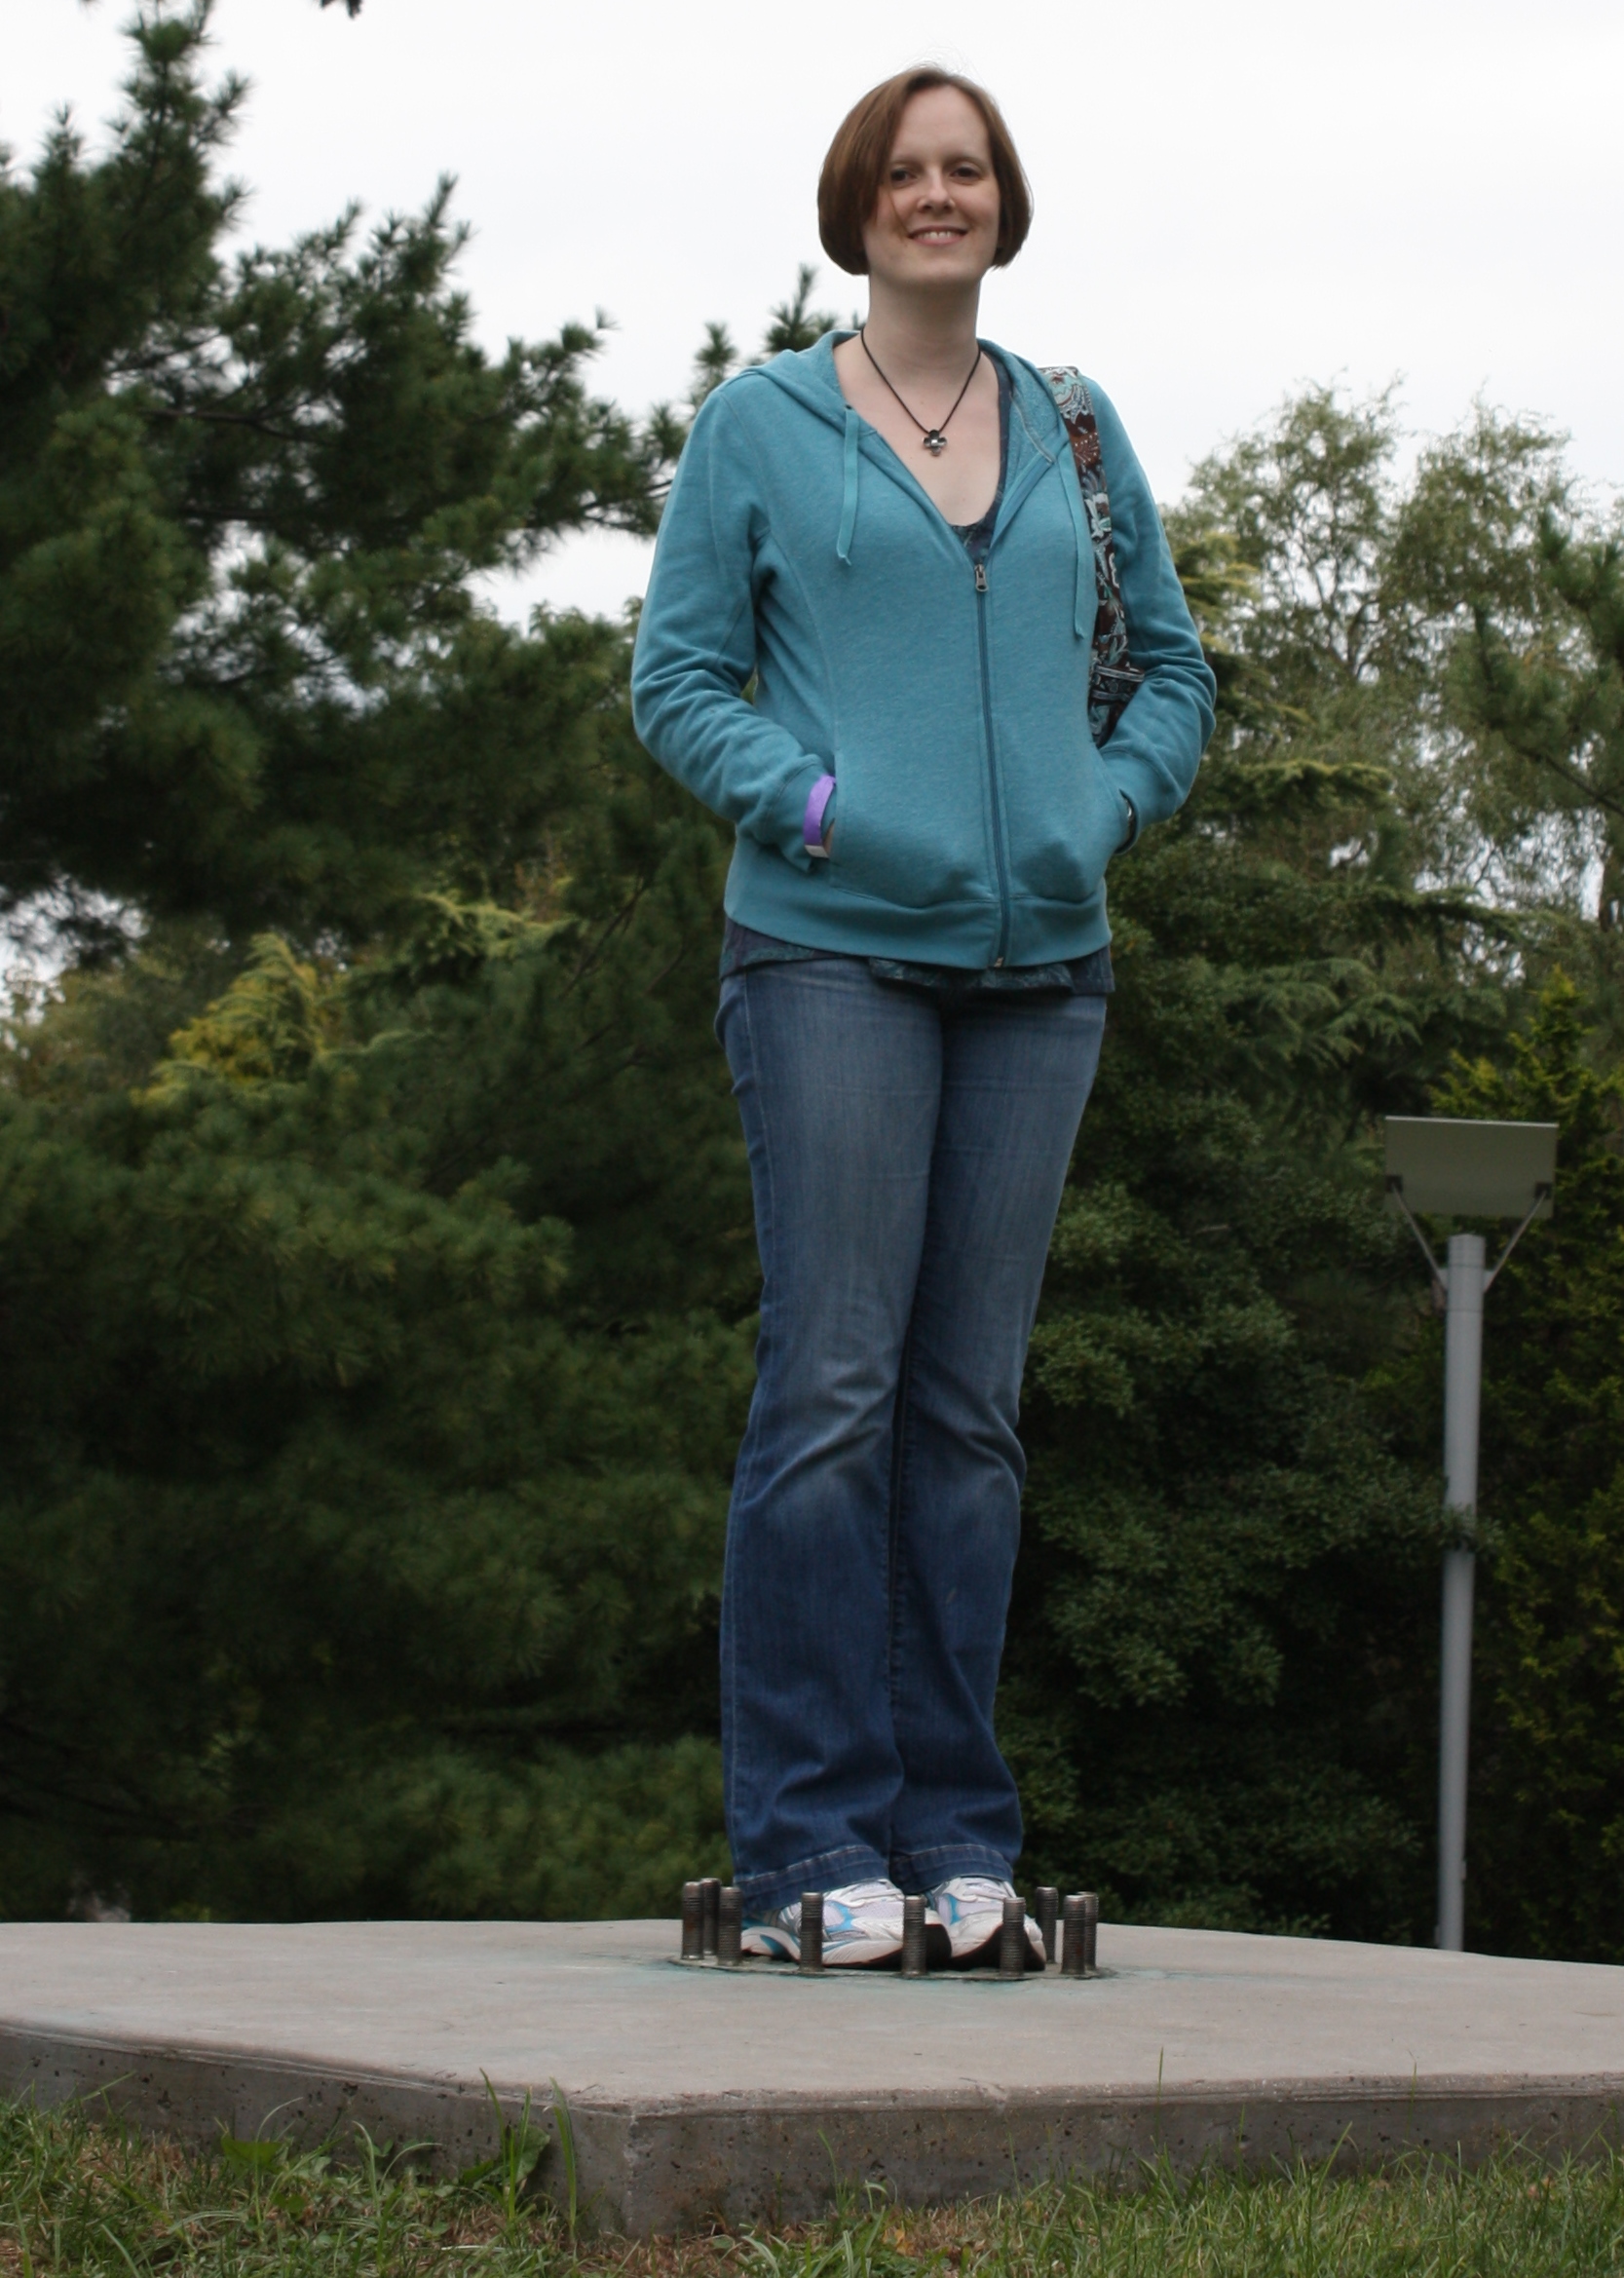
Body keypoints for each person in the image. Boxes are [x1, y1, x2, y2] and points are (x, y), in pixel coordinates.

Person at [631, 68, 1215, 1968]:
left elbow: (1175, 677)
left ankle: (956, 1836)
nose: (938, 194)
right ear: (857, 202)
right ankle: (808, 1845)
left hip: (1044, 970)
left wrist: (1095, 813)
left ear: (1004, 201)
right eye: (907, 170)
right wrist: (820, 808)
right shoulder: (762, 424)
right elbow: (677, 683)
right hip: (826, 954)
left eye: (967, 169)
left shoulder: (1074, 422)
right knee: (833, 1394)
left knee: (970, 1416)